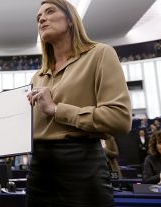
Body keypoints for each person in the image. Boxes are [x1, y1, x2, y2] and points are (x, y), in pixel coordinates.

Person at [26, 0, 132, 206]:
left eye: (49, 12)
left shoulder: (100, 54)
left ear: (71, 19)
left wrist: (57, 109)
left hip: (82, 167)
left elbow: (120, 119)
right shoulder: (37, 77)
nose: (42, 19)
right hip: (38, 172)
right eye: (38, 18)